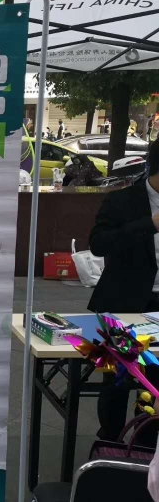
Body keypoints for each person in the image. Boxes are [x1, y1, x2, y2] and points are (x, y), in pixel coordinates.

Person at [89, 141, 159, 442]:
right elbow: (99, 244)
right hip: (124, 304)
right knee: (117, 383)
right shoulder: (122, 200)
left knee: (155, 384)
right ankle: (111, 442)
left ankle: (145, 447)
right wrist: (150, 224)